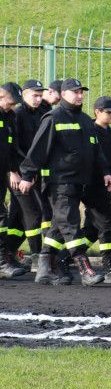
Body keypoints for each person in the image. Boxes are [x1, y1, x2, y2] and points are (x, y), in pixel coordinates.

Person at [19, 78, 111, 286]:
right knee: (70, 224)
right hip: (60, 182)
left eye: (81, 92)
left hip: (80, 181)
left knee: (58, 226)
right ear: (63, 94)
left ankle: (44, 268)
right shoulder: (53, 118)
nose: (79, 95)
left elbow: (96, 149)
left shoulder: (86, 120)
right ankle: (84, 269)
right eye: (75, 92)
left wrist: (105, 171)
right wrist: (27, 175)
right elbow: (38, 149)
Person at [9, 79, 53, 271]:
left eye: (40, 95)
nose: (38, 99)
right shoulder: (17, 114)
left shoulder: (43, 113)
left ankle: (8, 253)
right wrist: (15, 171)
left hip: (35, 172)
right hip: (19, 172)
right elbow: (13, 146)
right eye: (34, 95)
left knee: (19, 217)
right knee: (33, 213)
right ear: (24, 95)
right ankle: (36, 257)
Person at [79, 96, 111, 282]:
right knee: (108, 227)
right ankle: (110, 268)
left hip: (107, 188)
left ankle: (63, 256)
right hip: (94, 188)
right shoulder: (91, 132)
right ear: (97, 112)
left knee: (92, 230)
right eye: (109, 112)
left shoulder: (109, 132)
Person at [0, 83, 27, 278]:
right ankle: (1, 263)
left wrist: (15, 170)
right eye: (10, 103)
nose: (13, 106)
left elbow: (12, 147)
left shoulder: (10, 116)